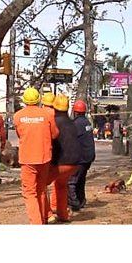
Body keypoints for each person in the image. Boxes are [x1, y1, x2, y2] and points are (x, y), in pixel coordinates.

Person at [14, 87, 58, 224]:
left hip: (27, 159)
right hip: (44, 157)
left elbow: (19, 134)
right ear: (39, 100)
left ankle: (36, 223)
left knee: (29, 193)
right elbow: (55, 134)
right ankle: (43, 218)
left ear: (24, 100)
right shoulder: (47, 115)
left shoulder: (18, 116)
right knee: (41, 189)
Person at [44, 94, 81, 224]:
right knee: (61, 185)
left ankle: (48, 214)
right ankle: (63, 214)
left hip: (60, 163)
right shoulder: (71, 123)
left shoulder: (54, 122)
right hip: (75, 163)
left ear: (54, 107)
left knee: (40, 186)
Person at [68, 99, 95, 211]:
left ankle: (74, 203)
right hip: (89, 157)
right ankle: (81, 200)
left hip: (81, 157)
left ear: (75, 112)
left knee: (71, 181)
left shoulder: (75, 124)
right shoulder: (87, 122)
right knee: (81, 179)